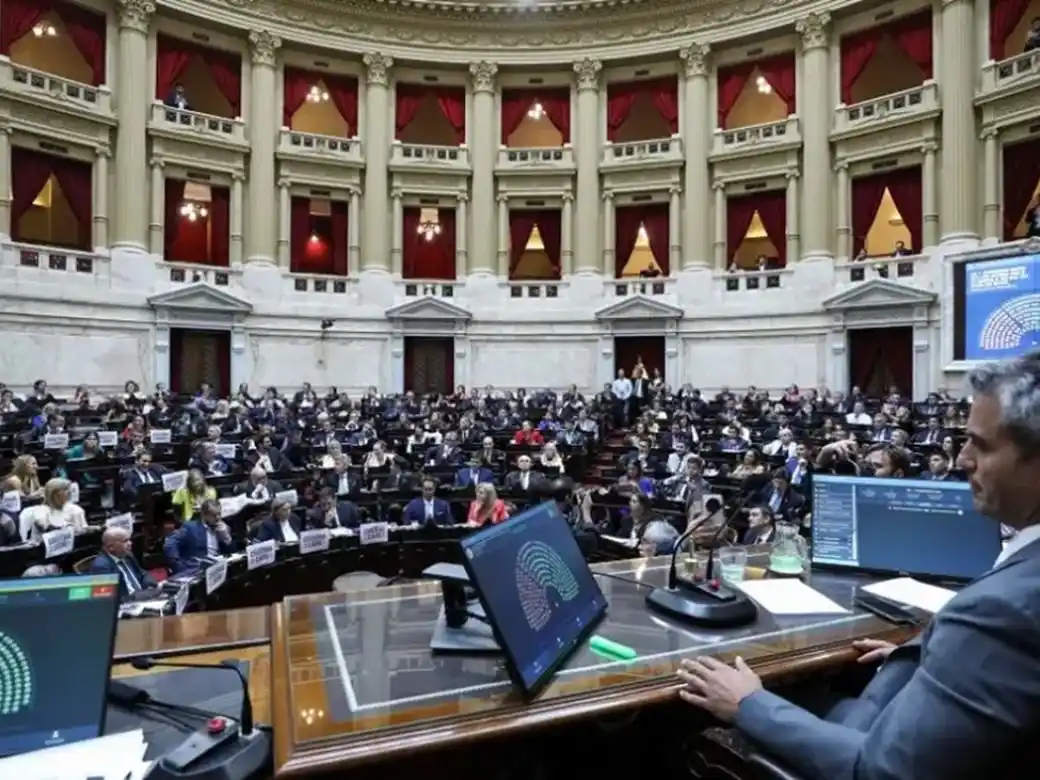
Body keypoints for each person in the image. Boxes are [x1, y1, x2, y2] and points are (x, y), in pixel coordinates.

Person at [675, 351, 1040, 780]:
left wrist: (748, 704)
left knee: (685, 727)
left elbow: (878, 771)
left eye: (980, 444)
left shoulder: (1002, 615)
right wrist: (933, 658)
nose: (962, 460)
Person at [91, 527, 157, 600]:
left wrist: (150, 586)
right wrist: (142, 595)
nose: (130, 543)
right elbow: (111, 597)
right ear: (111, 547)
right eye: (125, 541)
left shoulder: (127, 556)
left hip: (144, 597)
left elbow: (143, 573)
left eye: (129, 540)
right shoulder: (101, 566)